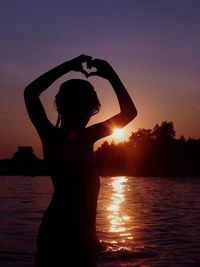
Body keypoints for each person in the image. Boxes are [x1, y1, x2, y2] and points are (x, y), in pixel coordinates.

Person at [24, 55, 137, 266]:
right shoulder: (84, 137)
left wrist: (69, 66)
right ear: (92, 108)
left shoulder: (51, 136)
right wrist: (110, 74)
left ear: (58, 105)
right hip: (71, 240)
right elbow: (129, 112)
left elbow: (31, 92)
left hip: (60, 235)